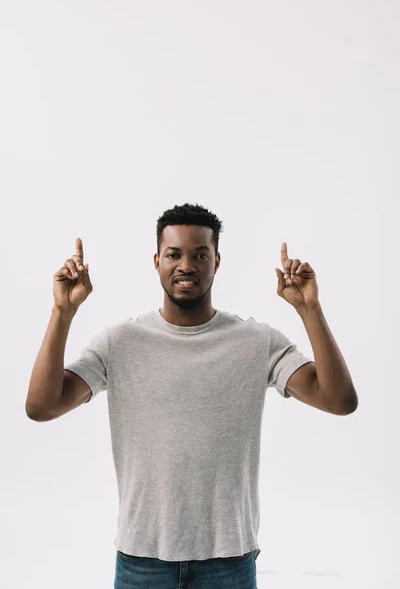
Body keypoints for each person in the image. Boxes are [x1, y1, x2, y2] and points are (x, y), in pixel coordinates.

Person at [25, 202, 358, 589]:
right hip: (142, 561)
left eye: (201, 254)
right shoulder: (121, 342)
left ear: (217, 262)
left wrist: (310, 309)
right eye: (174, 254)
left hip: (228, 561)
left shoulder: (256, 342)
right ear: (156, 261)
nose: (187, 265)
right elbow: (42, 406)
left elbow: (338, 400)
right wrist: (62, 313)